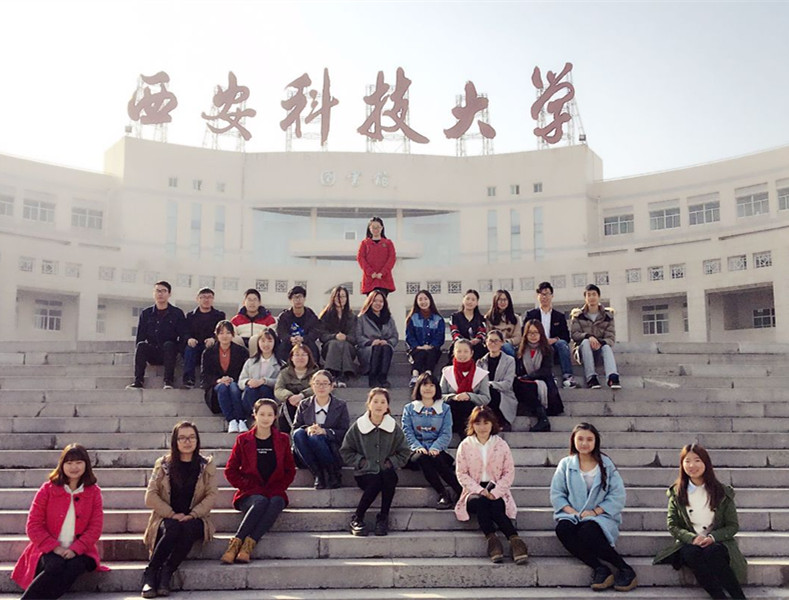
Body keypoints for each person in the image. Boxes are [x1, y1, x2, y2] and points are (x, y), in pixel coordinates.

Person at [550, 423, 637, 592]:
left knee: (588, 531)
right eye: (580, 439)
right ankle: (599, 568)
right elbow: (557, 494)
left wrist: (595, 512)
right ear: (573, 440)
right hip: (572, 514)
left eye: (589, 439)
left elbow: (617, 494)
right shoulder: (566, 464)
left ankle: (625, 568)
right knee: (563, 529)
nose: (584, 443)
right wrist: (574, 512)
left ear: (596, 441)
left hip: (601, 515)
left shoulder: (606, 464)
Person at [12, 443, 105, 600]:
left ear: (86, 465)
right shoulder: (47, 489)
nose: (74, 467)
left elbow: (95, 528)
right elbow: (33, 525)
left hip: (81, 550)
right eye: (69, 463)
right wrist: (55, 548)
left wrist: (76, 549)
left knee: (75, 566)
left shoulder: (94, 492)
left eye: (78, 462)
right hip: (48, 548)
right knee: (55, 566)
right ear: (62, 465)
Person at [653, 444, 747, 599]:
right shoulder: (677, 493)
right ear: (682, 465)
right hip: (690, 544)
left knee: (713, 552)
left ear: (706, 463)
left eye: (697, 460)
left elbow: (732, 526)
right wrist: (692, 538)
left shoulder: (722, 492)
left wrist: (712, 538)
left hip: (717, 543)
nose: (692, 465)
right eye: (687, 461)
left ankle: (739, 597)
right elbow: (673, 525)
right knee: (691, 552)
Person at [142, 421, 217, 598]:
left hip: (196, 518)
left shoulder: (206, 465)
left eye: (191, 437)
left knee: (187, 527)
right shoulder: (163, 464)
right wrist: (172, 514)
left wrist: (193, 514)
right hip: (166, 517)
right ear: (174, 441)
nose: (187, 442)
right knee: (174, 528)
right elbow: (150, 496)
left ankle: (167, 572)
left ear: (197, 440)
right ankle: (151, 573)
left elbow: (212, 495)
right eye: (182, 438)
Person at [221, 398, 296, 564]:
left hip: (274, 490)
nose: (265, 418)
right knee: (260, 501)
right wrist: (247, 485)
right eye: (262, 414)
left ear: (275, 417)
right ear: (254, 415)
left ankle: (248, 546)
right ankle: (235, 544)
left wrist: (280, 486)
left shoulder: (283, 439)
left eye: (270, 414)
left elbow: (290, 470)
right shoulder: (243, 439)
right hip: (250, 492)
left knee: (277, 501)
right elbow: (230, 470)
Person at [454, 406, 529, 565]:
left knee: (495, 504)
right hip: (473, 491)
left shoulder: (501, 444)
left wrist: (496, 492)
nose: (482, 427)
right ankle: (494, 540)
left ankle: (514, 541)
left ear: (492, 424)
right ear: (472, 425)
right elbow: (461, 473)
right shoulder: (465, 445)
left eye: (486, 423)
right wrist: (480, 490)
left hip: (496, 488)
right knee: (481, 502)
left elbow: (508, 472)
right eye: (478, 423)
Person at [340, 388, 411, 536]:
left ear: (387, 406)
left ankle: (383, 518)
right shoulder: (358, 426)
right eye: (375, 401)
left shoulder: (393, 428)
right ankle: (357, 518)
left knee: (389, 477)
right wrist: (361, 462)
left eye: (383, 402)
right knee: (376, 481)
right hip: (364, 473)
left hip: (386, 471)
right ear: (369, 404)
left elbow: (405, 451)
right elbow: (346, 451)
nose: (379, 405)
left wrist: (391, 462)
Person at [401, 372, 462, 509]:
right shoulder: (409, 409)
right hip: (415, 452)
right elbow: (407, 432)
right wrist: (417, 447)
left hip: (437, 450)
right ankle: (443, 493)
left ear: (437, 388)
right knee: (423, 457)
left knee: (435, 457)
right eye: (424, 385)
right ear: (418, 387)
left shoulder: (445, 409)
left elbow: (446, 432)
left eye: (431, 385)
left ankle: (460, 491)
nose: (428, 388)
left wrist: (436, 447)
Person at [292, 370, 350, 490]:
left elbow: (344, 432)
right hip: (307, 451)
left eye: (325, 383)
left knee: (316, 438)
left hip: (330, 449)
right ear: (312, 385)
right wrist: (308, 429)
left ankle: (332, 473)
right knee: (298, 434)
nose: (321, 387)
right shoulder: (304, 404)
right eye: (317, 383)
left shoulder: (340, 405)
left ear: (331, 386)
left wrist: (325, 432)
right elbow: (295, 428)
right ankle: (318, 474)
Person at [127, 281, 186, 390]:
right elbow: (140, 336)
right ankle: (138, 381)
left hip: (170, 352)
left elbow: (183, 334)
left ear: (169, 294)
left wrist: (180, 352)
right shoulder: (146, 313)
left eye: (164, 291)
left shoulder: (177, 313)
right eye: (158, 291)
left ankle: (168, 381)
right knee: (141, 345)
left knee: (169, 345)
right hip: (153, 352)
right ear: (153, 293)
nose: (160, 294)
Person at [523, 281, 577, 388]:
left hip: (554, 345)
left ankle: (568, 376)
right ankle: (550, 376)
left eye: (547, 294)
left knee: (562, 344)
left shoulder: (559, 316)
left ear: (552, 296)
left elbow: (566, 336)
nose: (545, 297)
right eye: (542, 294)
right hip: (537, 345)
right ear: (538, 296)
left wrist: (555, 339)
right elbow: (524, 333)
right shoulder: (531, 315)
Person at [514, 319, 564, 432]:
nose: (533, 336)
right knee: (519, 384)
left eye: (536, 332)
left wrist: (529, 377)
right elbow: (518, 371)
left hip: (543, 383)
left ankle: (543, 419)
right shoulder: (519, 351)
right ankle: (542, 418)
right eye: (530, 333)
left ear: (541, 334)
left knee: (528, 386)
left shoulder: (548, 349)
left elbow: (546, 371)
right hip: (525, 384)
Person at [200, 321, 249, 433]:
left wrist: (231, 379)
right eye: (221, 333)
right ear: (216, 335)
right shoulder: (208, 352)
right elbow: (205, 376)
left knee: (233, 387)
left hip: (235, 384)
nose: (225, 336)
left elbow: (245, 372)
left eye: (228, 333)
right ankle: (231, 420)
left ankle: (241, 420)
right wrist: (219, 380)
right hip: (216, 389)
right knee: (222, 387)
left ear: (233, 334)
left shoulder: (242, 352)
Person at [570, 284, 621, 390]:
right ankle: (591, 378)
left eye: (594, 294)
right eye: (589, 295)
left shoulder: (607, 316)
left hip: (599, 351)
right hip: (582, 352)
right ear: (585, 298)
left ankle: (612, 377)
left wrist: (599, 343)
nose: (591, 297)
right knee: (585, 342)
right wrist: (588, 337)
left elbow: (611, 338)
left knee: (606, 347)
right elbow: (574, 335)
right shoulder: (578, 316)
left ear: (599, 296)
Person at [440, 339, 490, 435]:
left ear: (471, 353)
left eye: (466, 351)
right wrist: (454, 397)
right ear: (454, 353)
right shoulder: (447, 372)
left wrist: (469, 396)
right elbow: (440, 395)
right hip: (452, 411)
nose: (462, 354)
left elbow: (486, 398)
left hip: (472, 413)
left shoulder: (481, 373)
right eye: (459, 351)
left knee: (467, 405)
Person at [182, 287, 226, 389]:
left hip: (211, 346)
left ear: (213, 299)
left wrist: (214, 338)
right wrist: (189, 339)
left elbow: (222, 331)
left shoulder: (219, 315)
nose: (206, 300)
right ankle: (189, 379)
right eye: (203, 297)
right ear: (198, 299)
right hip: (195, 346)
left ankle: (207, 380)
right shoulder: (190, 316)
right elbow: (185, 331)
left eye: (209, 297)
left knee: (212, 350)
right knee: (189, 349)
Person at [356, 291, 399, 388]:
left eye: (381, 301)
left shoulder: (389, 318)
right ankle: (373, 377)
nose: (378, 303)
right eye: (375, 301)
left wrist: (387, 342)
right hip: (367, 349)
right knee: (377, 348)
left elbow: (395, 336)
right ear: (370, 302)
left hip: (385, 348)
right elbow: (358, 337)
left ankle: (383, 377)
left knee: (386, 347)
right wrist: (371, 342)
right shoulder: (362, 318)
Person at [274, 344, 319, 435]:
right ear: (291, 358)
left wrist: (302, 395)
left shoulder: (316, 372)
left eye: (303, 355)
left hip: (309, 403)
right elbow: (278, 389)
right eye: (297, 355)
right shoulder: (284, 373)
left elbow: (318, 387)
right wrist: (290, 396)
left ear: (309, 357)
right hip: (289, 404)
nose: (300, 358)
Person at [476, 330, 517, 432]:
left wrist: (490, 384)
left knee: (492, 392)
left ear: (502, 342)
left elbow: (508, 384)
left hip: (504, 394)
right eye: (490, 341)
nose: (493, 343)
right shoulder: (480, 362)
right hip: (485, 393)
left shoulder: (510, 360)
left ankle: (502, 421)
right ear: (486, 343)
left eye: (496, 341)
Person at [318, 285, 357, 388]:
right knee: (335, 343)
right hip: (329, 348)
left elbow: (354, 338)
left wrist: (345, 337)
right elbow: (322, 336)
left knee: (343, 344)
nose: (340, 299)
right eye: (337, 296)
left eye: (343, 296)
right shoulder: (325, 315)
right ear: (333, 298)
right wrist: (335, 336)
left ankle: (342, 375)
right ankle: (334, 374)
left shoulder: (352, 317)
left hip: (348, 349)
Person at [405, 289, 445, 387]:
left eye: (425, 299)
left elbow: (440, 336)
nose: (423, 302)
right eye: (420, 299)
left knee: (431, 353)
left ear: (430, 300)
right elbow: (409, 335)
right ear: (416, 302)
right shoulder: (412, 318)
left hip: (432, 349)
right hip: (416, 348)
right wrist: (418, 346)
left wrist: (431, 345)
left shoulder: (438, 319)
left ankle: (428, 374)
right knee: (420, 353)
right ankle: (415, 375)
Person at [238, 327, 282, 410]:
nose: (266, 344)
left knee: (264, 388)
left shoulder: (280, 364)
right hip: (250, 397)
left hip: (269, 396)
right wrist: (248, 382)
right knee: (251, 390)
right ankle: (254, 413)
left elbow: (280, 383)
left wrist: (264, 381)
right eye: (263, 341)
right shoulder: (250, 361)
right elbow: (240, 382)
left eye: (269, 341)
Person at [276, 285, 321, 363]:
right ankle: (284, 366)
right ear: (290, 300)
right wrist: (291, 338)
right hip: (290, 342)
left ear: (304, 299)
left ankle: (313, 367)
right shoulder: (284, 316)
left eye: (300, 297)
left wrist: (303, 339)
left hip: (306, 342)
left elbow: (315, 332)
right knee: (282, 347)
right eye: (295, 297)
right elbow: (281, 332)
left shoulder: (311, 315)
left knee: (312, 347)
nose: (298, 300)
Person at [357, 216, 396, 296]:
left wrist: (382, 272)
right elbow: (361, 258)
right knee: (371, 301)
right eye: (373, 227)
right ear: (369, 228)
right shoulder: (365, 243)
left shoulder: (388, 243)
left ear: (382, 228)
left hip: (384, 279)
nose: (376, 229)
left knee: (382, 300)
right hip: (370, 279)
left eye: (378, 227)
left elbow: (392, 258)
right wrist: (370, 272)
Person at [449, 289, 487, 362]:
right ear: (463, 300)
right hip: (459, 344)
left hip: (476, 345)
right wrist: (465, 342)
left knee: (479, 348)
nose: (470, 302)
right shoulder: (454, 317)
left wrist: (477, 339)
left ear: (477, 303)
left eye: (473, 300)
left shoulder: (481, 318)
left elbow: (482, 332)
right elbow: (454, 332)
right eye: (468, 299)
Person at [483, 289, 522, 357]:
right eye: (500, 300)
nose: (503, 302)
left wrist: (507, 341)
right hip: (493, 345)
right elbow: (487, 336)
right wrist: (497, 342)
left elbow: (518, 337)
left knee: (505, 346)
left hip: (509, 346)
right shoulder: (488, 318)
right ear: (495, 301)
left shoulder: (515, 318)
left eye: (505, 300)